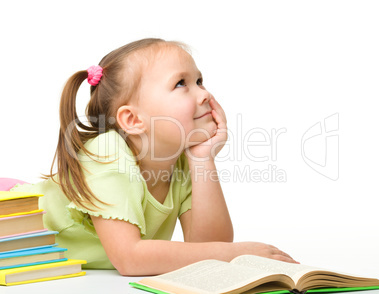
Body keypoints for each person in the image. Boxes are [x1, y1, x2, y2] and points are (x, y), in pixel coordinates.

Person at [5, 38, 297, 275]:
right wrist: (236, 253)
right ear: (133, 120)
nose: (203, 94)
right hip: (11, 222)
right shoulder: (107, 154)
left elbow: (209, 247)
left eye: (200, 80)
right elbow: (129, 259)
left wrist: (202, 158)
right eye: (181, 83)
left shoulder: (181, 161)